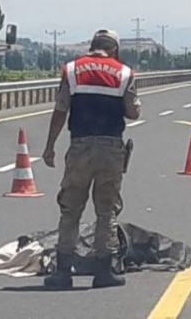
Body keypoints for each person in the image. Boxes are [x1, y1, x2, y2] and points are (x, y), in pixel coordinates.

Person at [41, 29, 141, 290]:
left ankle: (63, 272)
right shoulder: (124, 73)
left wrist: (50, 146)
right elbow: (133, 112)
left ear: (92, 46)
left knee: (71, 208)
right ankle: (104, 271)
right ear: (115, 50)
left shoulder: (72, 70)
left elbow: (60, 110)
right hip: (111, 148)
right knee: (106, 210)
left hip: (80, 146)